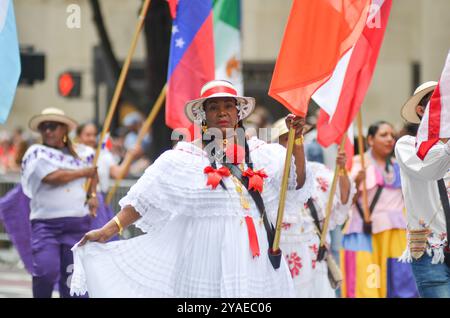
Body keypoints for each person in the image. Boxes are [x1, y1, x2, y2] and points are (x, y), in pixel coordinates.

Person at [70, 80, 313, 298]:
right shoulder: (183, 158)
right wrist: (108, 231)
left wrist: (297, 142)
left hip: (254, 255)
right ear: (203, 115)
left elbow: (296, 182)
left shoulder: (261, 152)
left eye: (228, 106)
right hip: (205, 255)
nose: (222, 113)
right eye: (213, 107)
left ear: (238, 113)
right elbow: (145, 199)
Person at [271, 117, 354, 297]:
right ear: (275, 145)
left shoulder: (319, 172)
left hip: (316, 255)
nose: (292, 142)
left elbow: (343, 200)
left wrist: (342, 171)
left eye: (296, 137)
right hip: (283, 257)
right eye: (286, 138)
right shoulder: (269, 176)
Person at [20, 108, 98, 298]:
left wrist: (92, 195)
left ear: (64, 129)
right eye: (43, 127)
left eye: (52, 126)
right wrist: (83, 172)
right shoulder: (36, 152)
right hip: (47, 226)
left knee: (74, 281)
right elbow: (52, 177)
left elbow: (93, 174)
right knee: (45, 272)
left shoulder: (84, 153)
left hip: (78, 224)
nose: (48, 131)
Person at [341, 121, 418, 298]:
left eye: (392, 135)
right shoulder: (358, 163)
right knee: (368, 286)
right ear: (370, 140)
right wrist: (357, 181)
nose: (390, 139)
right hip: (367, 234)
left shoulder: (400, 164)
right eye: (383, 135)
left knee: (401, 286)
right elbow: (345, 203)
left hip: (397, 236)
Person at [395, 81, 450, 298]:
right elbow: (431, 170)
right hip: (430, 251)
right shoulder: (407, 145)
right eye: (439, 103)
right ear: (421, 111)